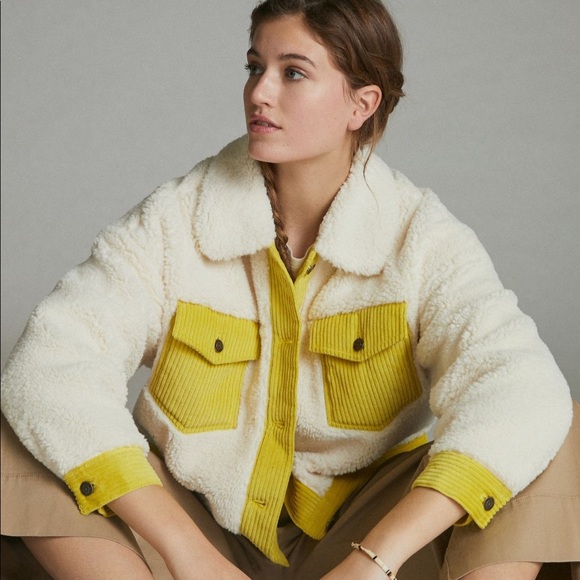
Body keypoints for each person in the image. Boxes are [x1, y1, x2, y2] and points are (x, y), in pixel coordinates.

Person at [1, 0, 578, 578]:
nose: (260, 92)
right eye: (255, 67)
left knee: (546, 432)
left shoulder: (422, 238)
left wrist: (374, 561)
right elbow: (52, 365)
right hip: (200, 534)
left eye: (293, 72)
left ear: (361, 103)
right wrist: (188, 552)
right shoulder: (174, 221)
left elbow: (518, 388)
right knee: (24, 425)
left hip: (360, 537)